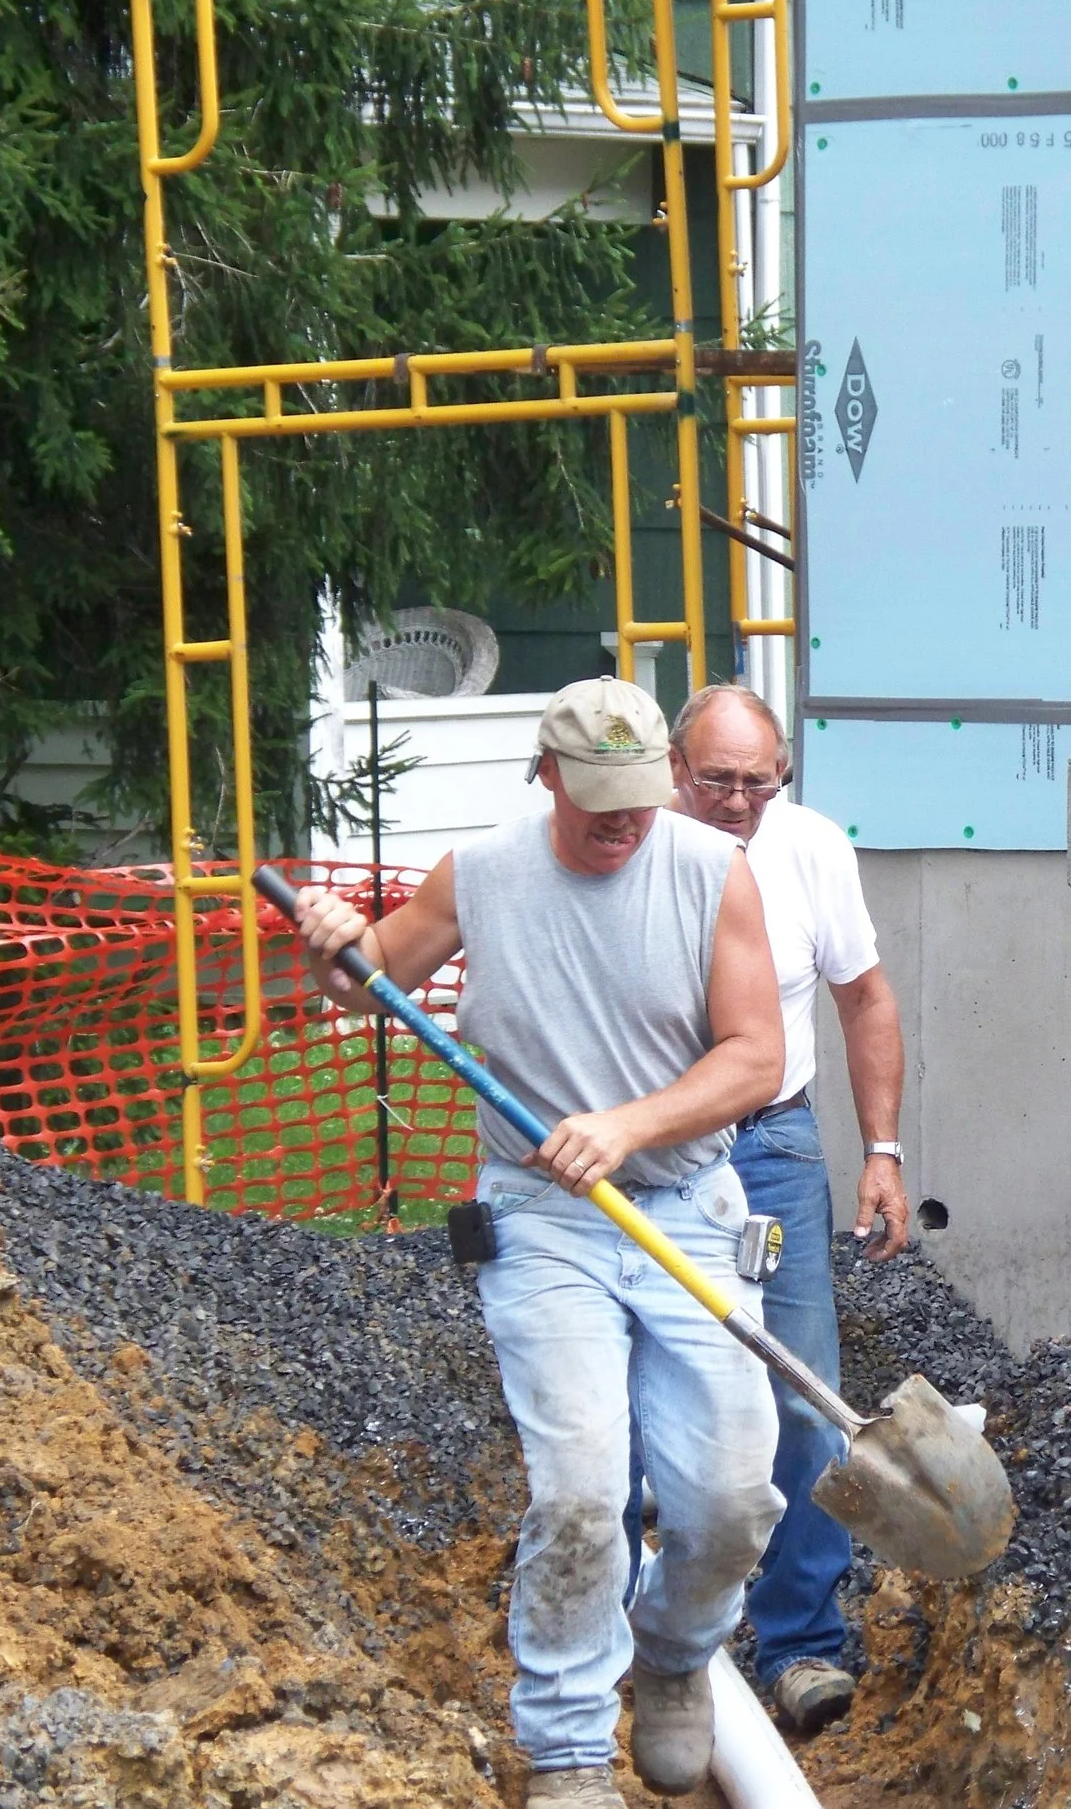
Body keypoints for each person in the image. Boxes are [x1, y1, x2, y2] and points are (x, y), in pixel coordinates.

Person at [291, 677, 787, 1808]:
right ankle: (565, 1747)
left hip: (684, 1212)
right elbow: (369, 982)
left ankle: (671, 1656)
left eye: (641, 797)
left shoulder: (713, 875)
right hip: (541, 1218)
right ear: (546, 774)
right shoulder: (486, 874)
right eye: (596, 798)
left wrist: (628, 1125)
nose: (621, 822)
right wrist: (336, 947)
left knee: (728, 1498)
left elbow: (754, 1058)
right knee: (577, 1489)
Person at [665, 683, 910, 1735]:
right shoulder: (632, 851)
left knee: (804, 1393)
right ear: (674, 769)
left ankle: (802, 1642)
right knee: (657, 1382)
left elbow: (864, 997)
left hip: (771, 1140)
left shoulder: (809, 849)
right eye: (715, 780)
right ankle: (661, 1631)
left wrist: (884, 1153)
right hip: (649, 1155)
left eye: (755, 783)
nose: (735, 802)